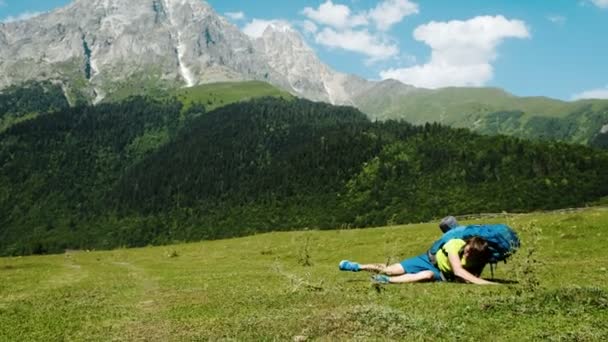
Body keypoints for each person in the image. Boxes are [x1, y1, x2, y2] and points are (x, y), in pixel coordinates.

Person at [339, 236, 497, 285]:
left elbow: (469, 276)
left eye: (472, 253)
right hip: (426, 259)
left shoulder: (478, 259)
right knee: (390, 268)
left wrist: (475, 279)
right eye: (468, 250)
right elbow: (458, 270)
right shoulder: (455, 244)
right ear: (467, 243)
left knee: (427, 275)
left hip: (440, 273)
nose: (468, 254)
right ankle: (357, 266)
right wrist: (488, 283)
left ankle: (385, 280)